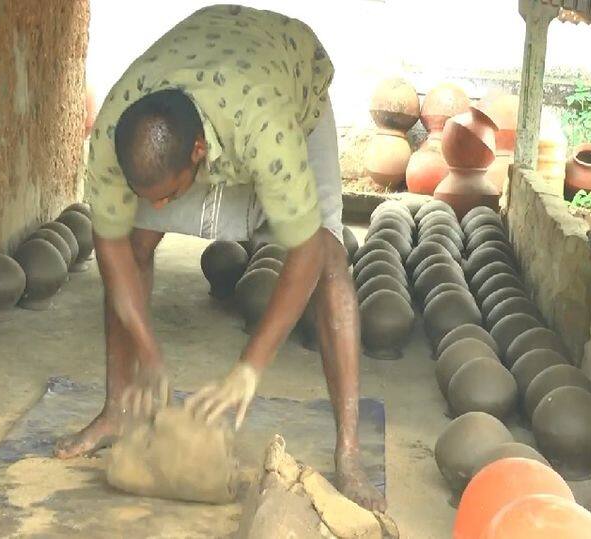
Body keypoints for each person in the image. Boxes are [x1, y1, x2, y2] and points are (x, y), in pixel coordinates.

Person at [54, 4, 385, 511]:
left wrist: (249, 368)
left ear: (197, 153)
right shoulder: (111, 134)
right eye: (151, 196)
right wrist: (150, 355)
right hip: (205, 75)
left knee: (333, 258)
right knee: (135, 238)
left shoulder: (268, 131)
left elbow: (308, 252)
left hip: (288, 80)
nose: (160, 207)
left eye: (167, 195)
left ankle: (349, 451)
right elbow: (113, 250)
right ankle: (116, 409)